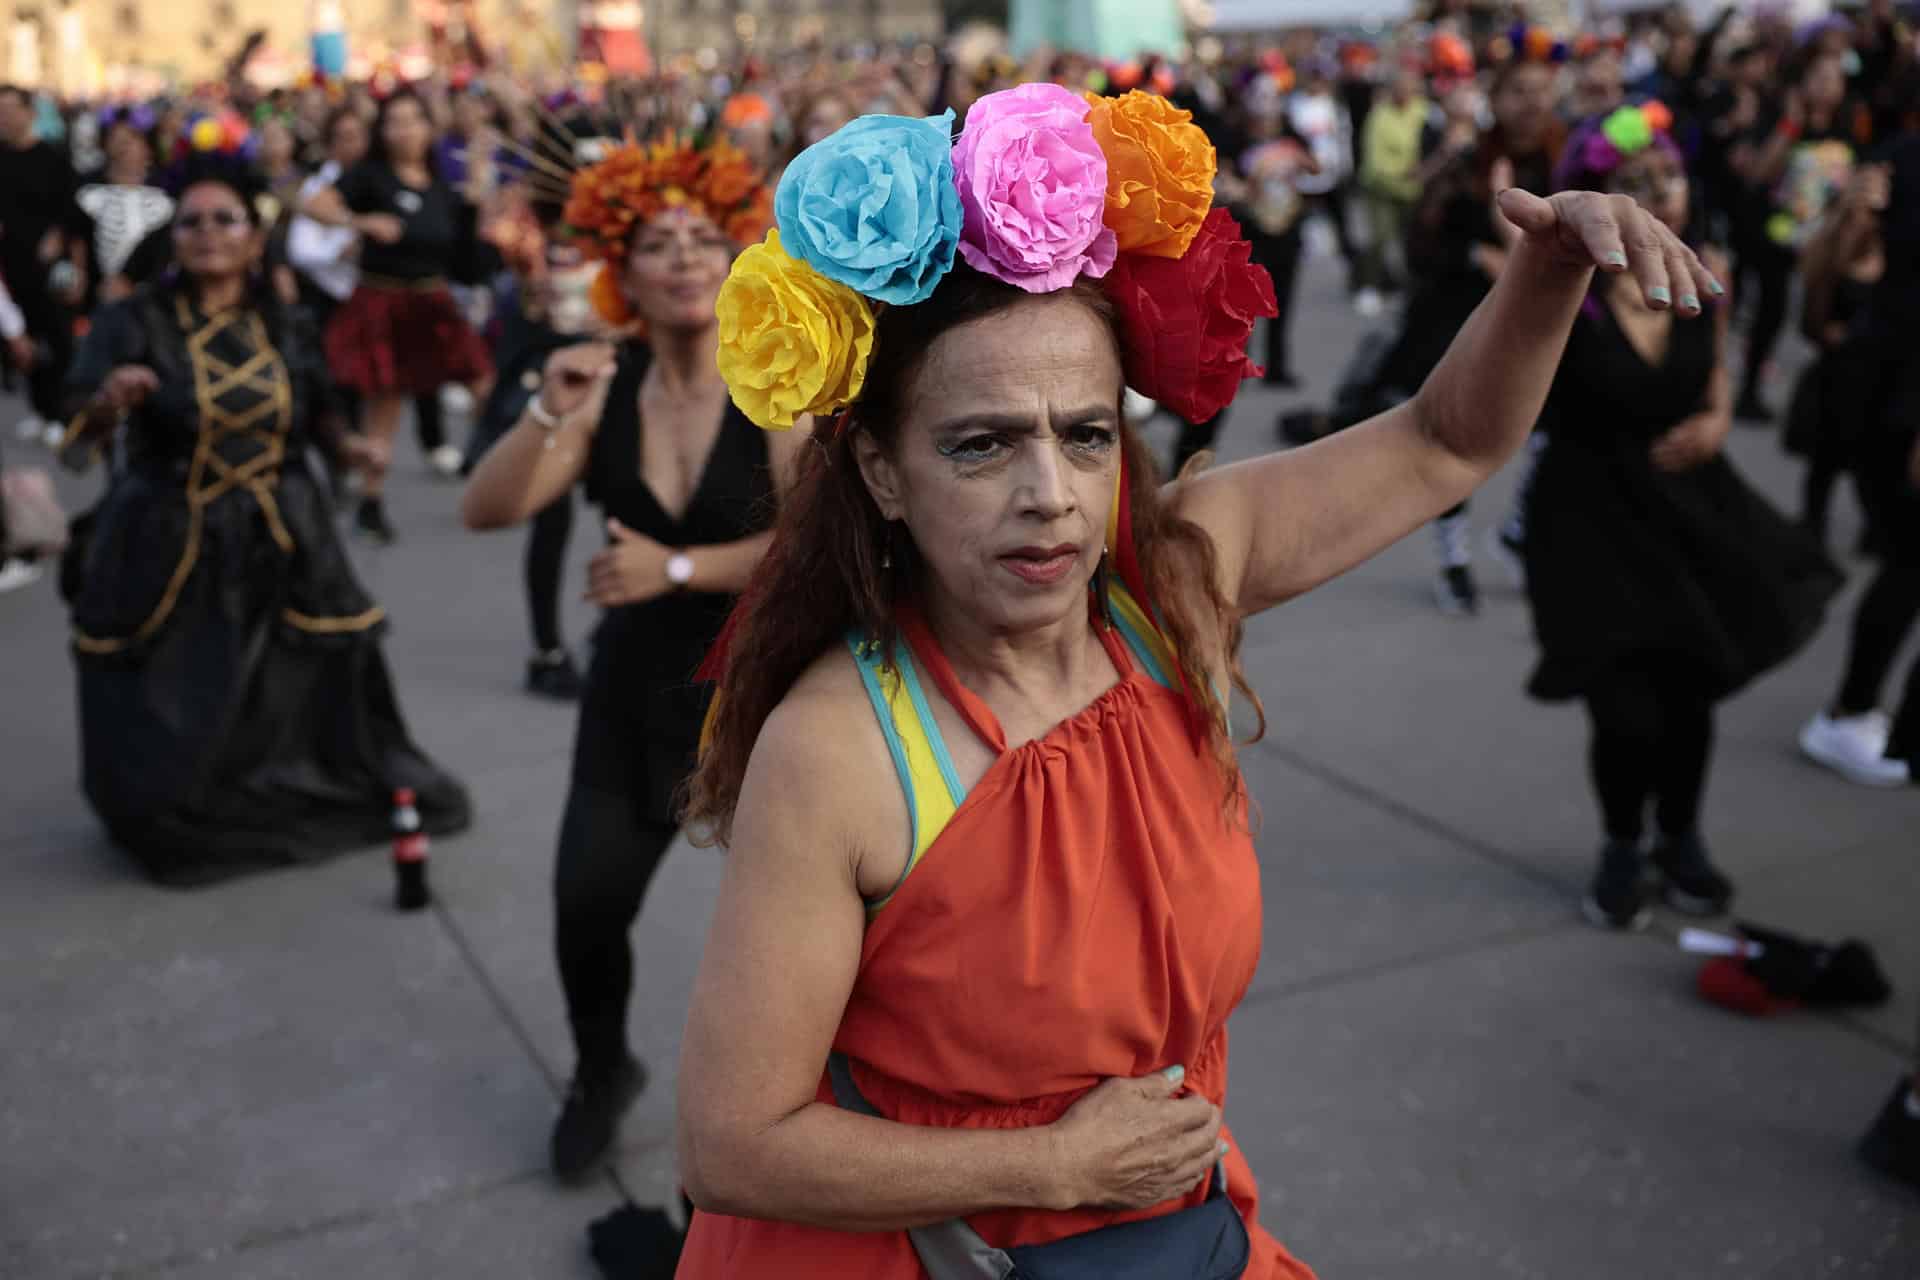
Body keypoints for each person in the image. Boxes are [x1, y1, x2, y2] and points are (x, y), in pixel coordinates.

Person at [668, 88, 1719, 1277]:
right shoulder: (842, 746)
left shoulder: (1171, 595)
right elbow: (730, 1141)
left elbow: (1445, 442)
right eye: (981, 442)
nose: (1051, 493)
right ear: (882, 471)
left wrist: (1549, 268)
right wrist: (1048, 1167)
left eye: (1086, 432)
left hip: (1170, 1231)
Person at [460, 134, 796, 1183]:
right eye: (659, 242)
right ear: (622, 271)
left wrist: (681, 566)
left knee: (810, 932)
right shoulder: (604, 381)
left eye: (705, 236)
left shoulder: (776, 374)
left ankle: (820, 1106)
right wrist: (553, 404)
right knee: (586, 904)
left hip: (770, 693)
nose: (688, 257)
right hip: (636, 691)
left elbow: (820, 544)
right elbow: (489, 505)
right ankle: (603, 1071)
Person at [56, 160, 470, 885]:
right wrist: (109, 405)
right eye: (191, 222)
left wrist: (352, 447)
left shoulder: (284, 318)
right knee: (182, 686)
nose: (208, 234)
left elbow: (312, 413)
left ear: (255, 239)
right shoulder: (133, 320)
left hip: (282, 526)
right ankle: (178, 801)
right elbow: (76, 445)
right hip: (168, 534)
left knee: (290, 677)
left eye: (226, 220)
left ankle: (271, 779)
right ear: (173, 236)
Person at [1519, 104, 1840, 931]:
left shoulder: (1708, 269)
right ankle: (1623, 844)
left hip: (1694, 511)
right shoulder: (1566, 293)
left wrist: (1722, 417)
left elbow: (1718, 371)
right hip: (1592, 516)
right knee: (1625, 708)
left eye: (1669, 177)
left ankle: (1682, 840)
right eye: (1636, 183)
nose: (1660, 193)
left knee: (1691, 690)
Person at [1374, 49, 1565, 615]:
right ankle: (1454, 560)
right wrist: (1475, 253)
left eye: (1541, 90)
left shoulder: (1569, 158)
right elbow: (1420, 245)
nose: (1531, 103)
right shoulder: (1467, 161)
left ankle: (1517, 531)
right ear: (1497, 100)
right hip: (1462, 320)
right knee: (1455, 444)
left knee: (1549, 439)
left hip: (1545, 325)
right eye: (1518, 91)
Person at [306, 88, 493, 540]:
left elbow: (468, 252)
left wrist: (480, 191)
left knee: (486, 382)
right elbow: (315, 204)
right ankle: (371, 498)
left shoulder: (442, 183)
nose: (404, 131)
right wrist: (361, 222)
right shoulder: (370, 176)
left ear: (430, 128)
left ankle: (486, 469)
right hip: (383, 300)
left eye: (413, 120)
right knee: (384, 406)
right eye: (394, 122)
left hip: (433, 301)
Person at [1800, 125, 1920, 789]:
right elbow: (1848, 268)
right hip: (1895, 389)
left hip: (1892, 382)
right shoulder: (1904, 159)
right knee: (1909, 559)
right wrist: (1859, 217)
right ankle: (1849, 710)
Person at [0, 84, 87, 447]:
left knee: (59, 341)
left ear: (30, 113)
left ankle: (62, 415)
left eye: (10, 109)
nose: (4, 118)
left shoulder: (54, 158)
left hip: (52, 271)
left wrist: (65, 246)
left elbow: (75, 217)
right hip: (11, 269)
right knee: (24, 342)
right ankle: (39, 409)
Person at [76, 106, 173, 306]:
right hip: (101, 297)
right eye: (116, 138)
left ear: (147, 145)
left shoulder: (168, 189)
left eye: (130, 139)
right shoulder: (87, 190)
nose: (123, 146)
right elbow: (78, 241)